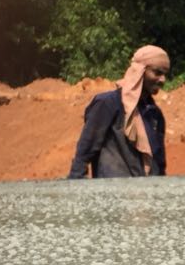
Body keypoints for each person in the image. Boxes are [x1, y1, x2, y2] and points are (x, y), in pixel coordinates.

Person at [67, 46, 170, 178]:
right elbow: (86, 149)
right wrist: (76, 183)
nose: (163, 80)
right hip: (112, 188)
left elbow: (159, 165)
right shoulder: (108, 104)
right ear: (140, 71)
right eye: (157, 73)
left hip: (146, 190)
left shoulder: (155, 114)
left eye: (165, 74)